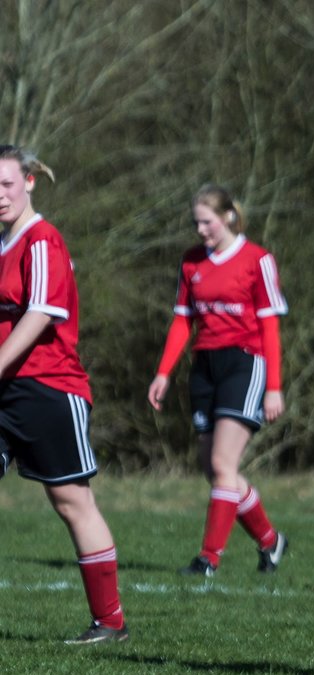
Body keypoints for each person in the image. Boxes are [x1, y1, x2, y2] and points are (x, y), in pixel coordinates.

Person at [0, 145, 127, 643]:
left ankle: (110, 622)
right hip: (6, 389)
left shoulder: (42, 240)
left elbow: (39, 314)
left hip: (48, 388)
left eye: (7, 185)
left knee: (71, 500)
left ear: (29, 182)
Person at [148, 185, 290, 577]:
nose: (201, 230)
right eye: (195, 223)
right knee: (215, 470)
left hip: (245, 363)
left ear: (227, 216)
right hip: (204, 366)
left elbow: (270, 327)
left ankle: (208, 558)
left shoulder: (256, 259)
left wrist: (274, 386)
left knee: (223, 463)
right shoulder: (191, 262)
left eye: (206, 221)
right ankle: (270, 541)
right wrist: (163, 372)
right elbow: (182, 320)